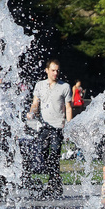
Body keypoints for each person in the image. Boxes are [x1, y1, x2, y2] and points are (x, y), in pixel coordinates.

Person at [29, 59, 72, 198]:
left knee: (54, 155)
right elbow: (35, 103)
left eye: (57, 70)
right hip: (43, 126)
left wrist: (69, 126)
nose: (55, 73)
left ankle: (53, 184)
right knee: (41, 154)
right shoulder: (39, 85)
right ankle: (55, 181)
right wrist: (32, 112)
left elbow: (68, 107)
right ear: (47, 70)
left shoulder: (64, 86)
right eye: (53, 70)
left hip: (57, 126)